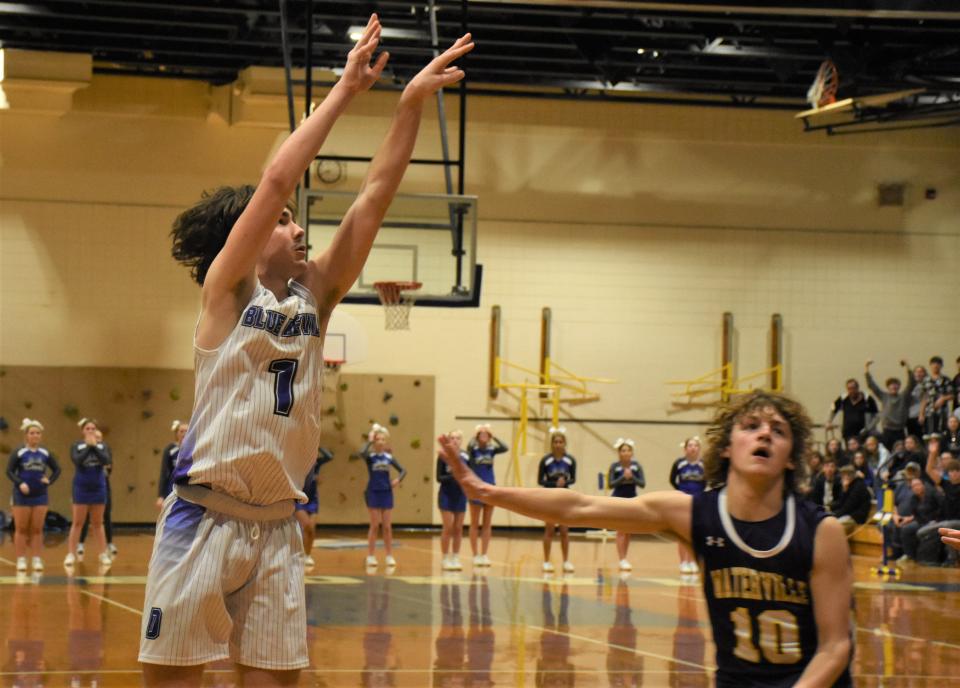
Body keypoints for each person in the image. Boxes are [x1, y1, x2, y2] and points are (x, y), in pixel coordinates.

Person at [138, 18, 474, 685]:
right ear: (248, 232)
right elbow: (272, 182)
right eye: (286, 220)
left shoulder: (314, 297)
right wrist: (346, 90)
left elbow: (374, 197)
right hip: (201, 520)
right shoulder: (227, 294)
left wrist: (407, 107)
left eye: (296, 219)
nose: (297, 228)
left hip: (279, 531)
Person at [438, 389, 853, 687]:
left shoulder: (822, 532)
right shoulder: (694, 514)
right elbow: (577, 507)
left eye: (778, 430)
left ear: (791, 456)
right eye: (751, 426)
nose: (765, 434)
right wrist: (488, 492)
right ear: (726, 447)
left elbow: (835, 647)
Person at [6, 418, 61, 573]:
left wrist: (49, 481)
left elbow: (57, 470)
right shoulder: (19, 452)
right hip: (22, 495)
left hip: (40, 495)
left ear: (40, 436)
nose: (35, 436)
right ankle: (21, 559)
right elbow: (9, 471)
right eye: (32, 433)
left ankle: (36, 558)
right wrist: (20, 483)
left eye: (38, 433)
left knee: (37, 529)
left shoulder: (45, 452)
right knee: (21, 528)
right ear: (26, 435)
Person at [65, 418, 112, 569]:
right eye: (87, 428)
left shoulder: (102, 446)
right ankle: (71, 554)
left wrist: (95, 447)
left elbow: (106, 460)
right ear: (82, 431)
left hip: (98, 488)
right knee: (78, 523)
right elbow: (77, 461)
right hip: (81, 488)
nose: (90, 431)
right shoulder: (76, 446)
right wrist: (89, 447)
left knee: (98, 523)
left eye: (93, 428)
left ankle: (103, 553)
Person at [361, 424, 406, 569]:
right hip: (373, 492)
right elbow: (362, 452)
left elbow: (403, 470)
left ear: (385, 442)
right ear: (375, 442)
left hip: (386, 492)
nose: (380, 442)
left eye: (382, 439)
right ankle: (371, 556)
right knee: (375, 525)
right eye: (377, 439)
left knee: (387, 526)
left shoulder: (388, 457)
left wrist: (397, 480)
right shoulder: (370, 458)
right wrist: (369, 439)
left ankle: (389, 556)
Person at [466, 424, 508, 567]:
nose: (484, 435)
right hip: (476, 488)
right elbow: (469, 445)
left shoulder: (492, 449)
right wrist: (477, 432)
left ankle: (484, 554)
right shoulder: (473, 449)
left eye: (486, 434)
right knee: (475, 522)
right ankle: (475, 554)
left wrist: (493, 435)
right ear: (477, 436)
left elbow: (505, 447)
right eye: (481, 434)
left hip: (490, 487)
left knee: (487, 523)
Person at [537, 426, 577, 573]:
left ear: (564, 443)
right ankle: (546, 561)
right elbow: (540, 480)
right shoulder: (546, 460)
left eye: (561, 442)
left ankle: (566, 561)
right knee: (549, 530)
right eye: (556, 442)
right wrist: (554, 484)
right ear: (552, 443)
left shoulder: (570, 460)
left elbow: (573, 478)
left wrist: (565, 483)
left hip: (565, 499)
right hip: (550, 499)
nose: (558, 444)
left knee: (565, 530)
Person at [78, 428, 116, 560]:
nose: (97, 439)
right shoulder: (84, 450)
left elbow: (108, 466)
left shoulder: (104, 450)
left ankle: (109, 544)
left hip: (102, 487)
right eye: (95, 437)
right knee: (84, 518)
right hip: (85, 488)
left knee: (105, 517)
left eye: (99, 438)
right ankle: (80, 544)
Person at [669, 436, 705, 574]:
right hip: (682, 501)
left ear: (699, 448)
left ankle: (692, 561)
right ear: (685, 449)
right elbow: (672, 479)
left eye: (696, 445)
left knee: (694, 533)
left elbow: (705, 481)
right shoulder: (679, 463)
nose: (693, 448)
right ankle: (683, 562)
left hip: (697, 501)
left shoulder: (703, 464)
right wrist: (680, 491)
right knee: (682, 531)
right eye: (690, 445)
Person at [609, 438, 645, 571]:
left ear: (632, 453)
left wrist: (632, 477)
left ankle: (625, 557)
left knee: (629, 530)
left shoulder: (636, 466)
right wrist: (624, 477)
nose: (626, 453)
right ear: (619, 453)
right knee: (620, 530)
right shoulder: (615, 466)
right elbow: (611, 484)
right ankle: (621, 559)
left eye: (628, 450)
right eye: (623, 450)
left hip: (632, 500)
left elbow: (642, 483)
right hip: (618, 500)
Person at [922, 438, 960, 566]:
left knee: (947, 529)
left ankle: (952, 559)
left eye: (957, 471)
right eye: (951, 471)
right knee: (938, 530)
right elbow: (929, 470)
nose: (954, 474)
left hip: (956, 522)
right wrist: (933, 454)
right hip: (947, 522)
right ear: (948, 473)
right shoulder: (946, 484)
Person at [865, 359, 917, 451]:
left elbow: (911, 383)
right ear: (888, 387)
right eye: (891, 385)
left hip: (899, 430)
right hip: (887, 430)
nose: (893, 387)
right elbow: (872, 386)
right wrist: (866, 369)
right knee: (887, 451)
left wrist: (907, 367)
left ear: (899, 386)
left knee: (901, 451)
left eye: (896, 385)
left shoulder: (903, 396)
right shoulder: (883, 396)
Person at [294, 447, 333, 569]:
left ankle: (308, 555)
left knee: (311, 530)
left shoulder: (316, 462)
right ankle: (298, 553)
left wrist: (317, 446)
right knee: (306, 526)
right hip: (300, 498)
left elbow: (329, 456)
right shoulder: (298, 460)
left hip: (313, 499)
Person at [436, 430, 469, 571]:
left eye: (458, 438)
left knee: (458, 528)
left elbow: (470, 474)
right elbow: (439, 477)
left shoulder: (466, 456)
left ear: (462, 441)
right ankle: (445, 558)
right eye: (452, 438)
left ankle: (455, 557)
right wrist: (454, 475)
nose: (455, 440)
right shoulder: (443, 456)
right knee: (448, 527)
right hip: (446, 494)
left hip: (461, 495)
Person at [156, 420, 187, 510]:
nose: (184, 434)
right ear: (177, 433)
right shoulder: (170, 449)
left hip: (189, 490)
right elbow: (164, 473)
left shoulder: (194, 449)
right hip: (172, 489)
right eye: (181, 431)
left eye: (186, 431)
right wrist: (160, 496)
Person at [921, 356, 954, 437]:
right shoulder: (926, 380)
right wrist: (921, 414)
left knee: (941, 434)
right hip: (929, 412)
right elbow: (924, 397)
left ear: (941, 366)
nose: (935, 366)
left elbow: (952, 395)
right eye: (933, 364)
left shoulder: (946, 379)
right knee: (929, 434)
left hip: (942, 412)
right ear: (930, 365)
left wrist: (943, 398)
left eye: (938, 364)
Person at [832, 465, 871, 535]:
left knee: (835, 526)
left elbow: (849, 506)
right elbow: (840, 503)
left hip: (856, 517)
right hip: (848, 514)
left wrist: (834, 515)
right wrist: (844, 490)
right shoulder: (847, 485)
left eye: (848, 474)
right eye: (843, 475)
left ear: (853, 475)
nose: (845, 477)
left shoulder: (858, 486)